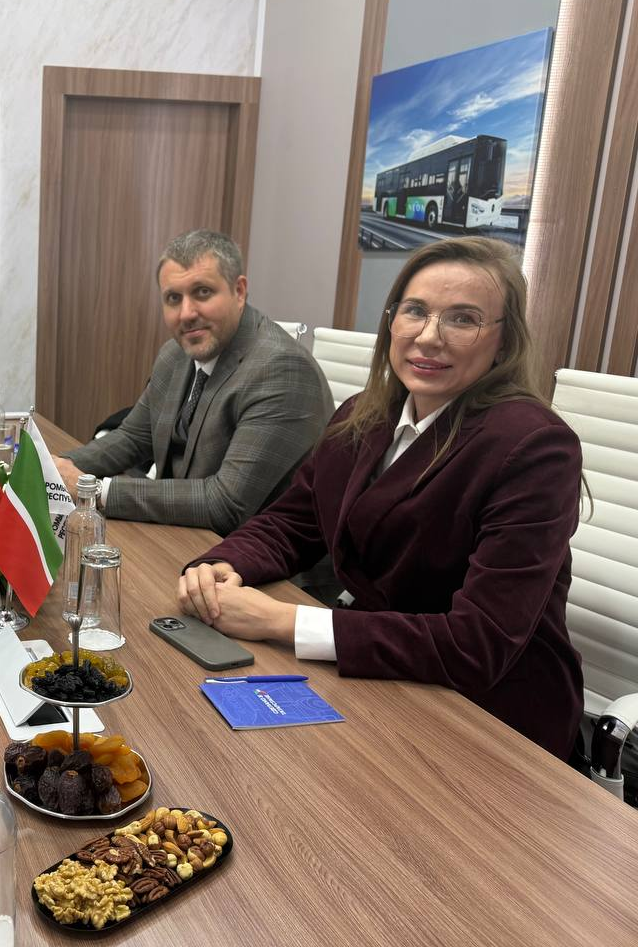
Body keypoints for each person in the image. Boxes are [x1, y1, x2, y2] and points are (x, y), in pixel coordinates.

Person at [177, 237, 584, 760]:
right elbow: (293, 522)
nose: (429, 337)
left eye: (463, 319)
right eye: (414, 311)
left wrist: (281, 621)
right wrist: (220, 565)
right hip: (381, 679)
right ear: (391, 321)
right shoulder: (363, 414)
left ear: (504, 342)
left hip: (492, 717)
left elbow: (477, 643)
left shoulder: (534, 446)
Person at [53, 229, 332, 531]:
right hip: (188, 535)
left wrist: (92, 490)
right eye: (173, 298)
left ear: (239, 291)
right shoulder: (175, 354)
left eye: (202, 292)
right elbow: (134, 437)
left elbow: (225, 503)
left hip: (262, 552)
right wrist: (52, 470)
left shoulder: (282, 369)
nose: (186, 313)